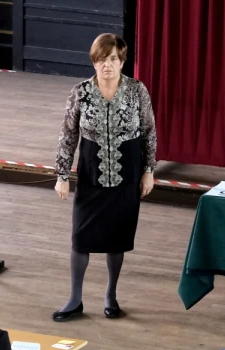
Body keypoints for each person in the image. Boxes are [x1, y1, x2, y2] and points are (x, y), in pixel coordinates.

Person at [52, 32, 157, 321]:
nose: (106, 65)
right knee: (80, 236)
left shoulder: (137, 91)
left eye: (112, 59)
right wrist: (62, 174)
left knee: (118, 235)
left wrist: (149, 171)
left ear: (122, 61)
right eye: (101, 59)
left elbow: (149, 132)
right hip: (90, 171)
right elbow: (68, 134)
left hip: (128, 171)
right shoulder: (80, 92)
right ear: (94, 61)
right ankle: (75, 299)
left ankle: (111, 295)